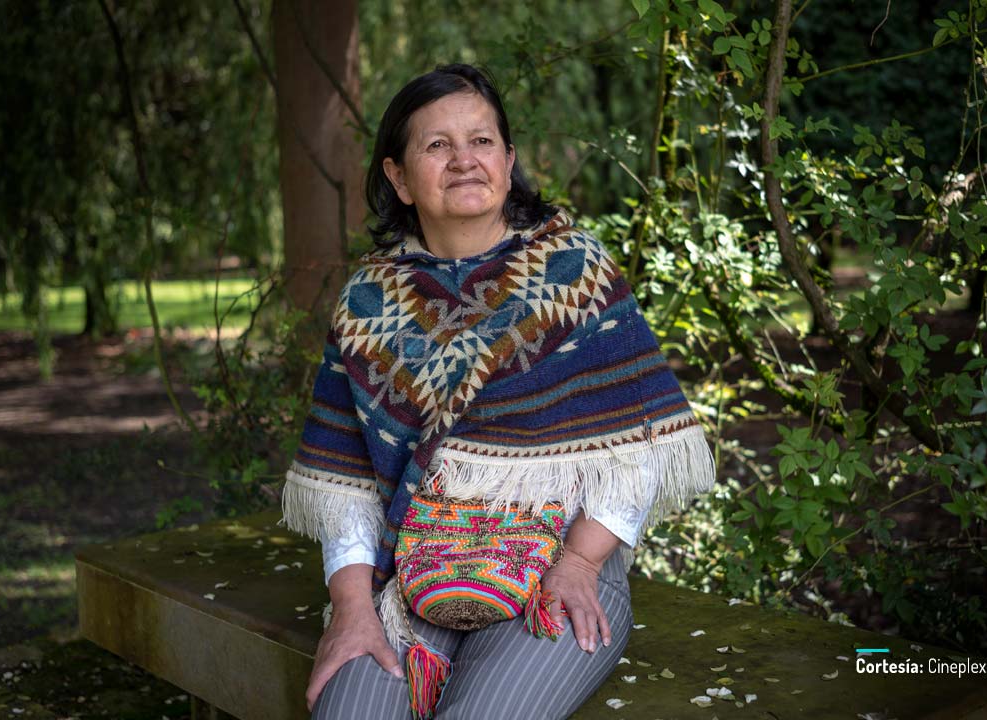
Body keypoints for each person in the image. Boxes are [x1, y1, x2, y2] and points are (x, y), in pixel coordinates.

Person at [280, 63, 716, 719]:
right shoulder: (368, 304)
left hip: (560, 566)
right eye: (436, 145)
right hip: (418, 573)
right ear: (398, 177)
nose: (463, 161)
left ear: (508, 162)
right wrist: (351, 609)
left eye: (480, 141)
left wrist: (577, 565)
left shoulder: (575, 274)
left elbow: (639, 448)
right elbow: (344, 479)